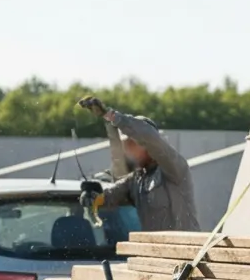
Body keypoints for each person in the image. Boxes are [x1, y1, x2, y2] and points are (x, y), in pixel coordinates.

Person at [77, 96, 200, 232]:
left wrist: (112, 116)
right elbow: (109, 197)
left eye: (132, 144)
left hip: (186, 251)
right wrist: (92, 196)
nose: (128, 150)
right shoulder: (137, 180)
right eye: (127, 145)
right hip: (154, 251)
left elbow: (148, 137)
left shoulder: (174, 169)